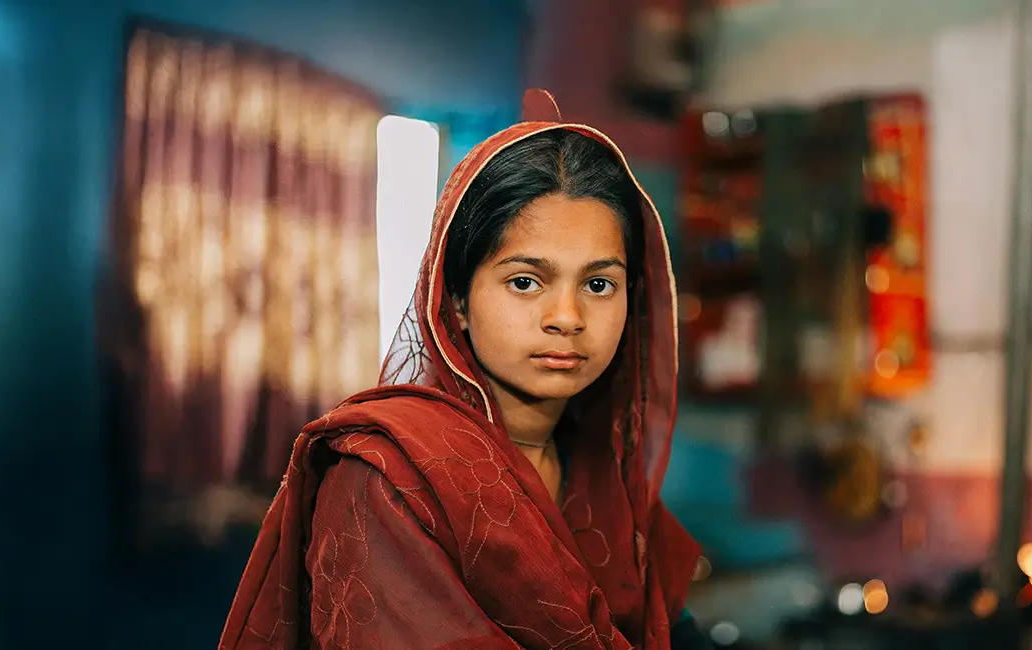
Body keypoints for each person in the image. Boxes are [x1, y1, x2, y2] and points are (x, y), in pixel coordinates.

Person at [220, 91, 710, 649]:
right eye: (525, 281)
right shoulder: (388, 476)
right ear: (454, 301)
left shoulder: (604, 471)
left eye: (599, 284)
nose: (568, 318)